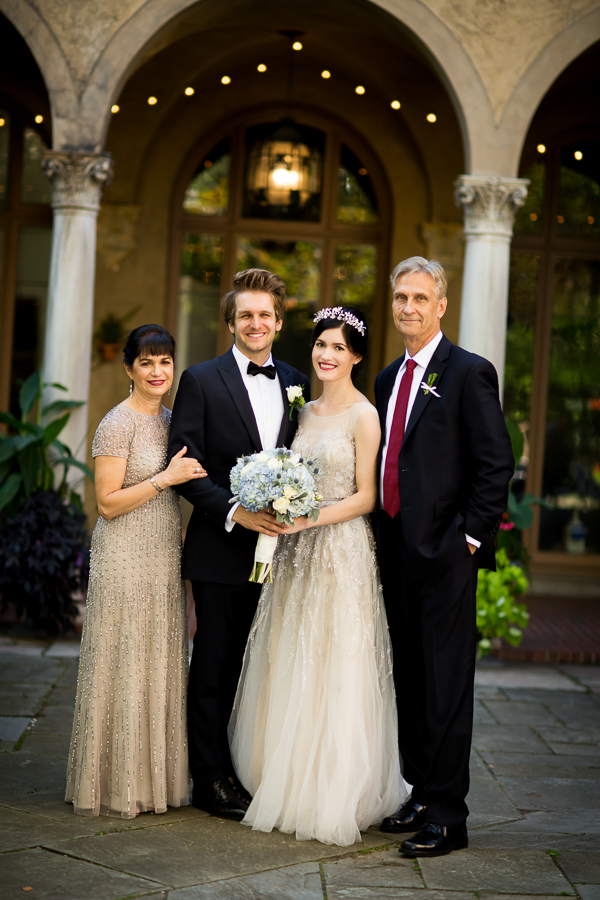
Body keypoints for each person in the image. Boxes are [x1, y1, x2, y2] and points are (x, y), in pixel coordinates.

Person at [229, 307, 406, 847]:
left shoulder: (364, 416)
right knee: (291, 653)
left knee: (335, 659)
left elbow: (368, 497)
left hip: (339, 550)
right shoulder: (301, 411)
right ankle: (283, 777)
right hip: (295, 554)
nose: (326, 355)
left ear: (356, 357)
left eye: (338, 348)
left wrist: (310, 517)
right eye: (321, 345)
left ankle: (333, 788)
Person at [374, 257, 514, 857]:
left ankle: (449, 816)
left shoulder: (469, 372)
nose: (408, 307)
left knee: (445, 685)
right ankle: (420, 791)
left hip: (447, 556)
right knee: (408, 679)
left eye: (419, 298)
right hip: (394, 551)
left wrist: (469, 540)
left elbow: (495, 463)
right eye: (400, 297)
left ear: (441, 305)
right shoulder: (386, 379)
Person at [167, 268, 310, 820]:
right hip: (220, 549)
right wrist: (235, 510)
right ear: (230, 322)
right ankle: (209, 778)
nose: (256, 323)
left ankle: (243, 768)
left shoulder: (296, 381)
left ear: (278, 322)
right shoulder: (200, 380)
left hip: (281, 554)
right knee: (214, 664)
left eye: (265, 315)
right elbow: (185, 467)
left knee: (259, 668)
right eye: (245, 315)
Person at [66, 325, 206, 818]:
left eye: (165, 361)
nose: (157, 371)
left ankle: (154, 783)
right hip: (123, 553)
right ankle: (112, 784)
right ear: (129, 368)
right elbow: (107, 503)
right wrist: (165, 478)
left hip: (164, 555)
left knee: (158, 658)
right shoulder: (116, 422)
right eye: (146, 362)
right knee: (121, 657)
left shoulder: (174, 421)